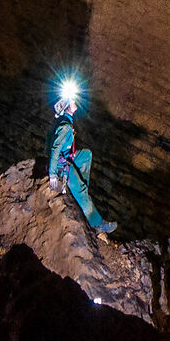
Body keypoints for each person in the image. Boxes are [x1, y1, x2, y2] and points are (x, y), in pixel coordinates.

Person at [48, 79, 117, 237]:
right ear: (67, 106)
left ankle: (81, 190)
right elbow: (54, 149)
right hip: (61, 166)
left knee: (86, 154)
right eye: (72, 101)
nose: (74, 102)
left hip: (66, 158)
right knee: (80, 189)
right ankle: (98, 224)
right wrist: (53, 173)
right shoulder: (64, 126)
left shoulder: (65, 122)